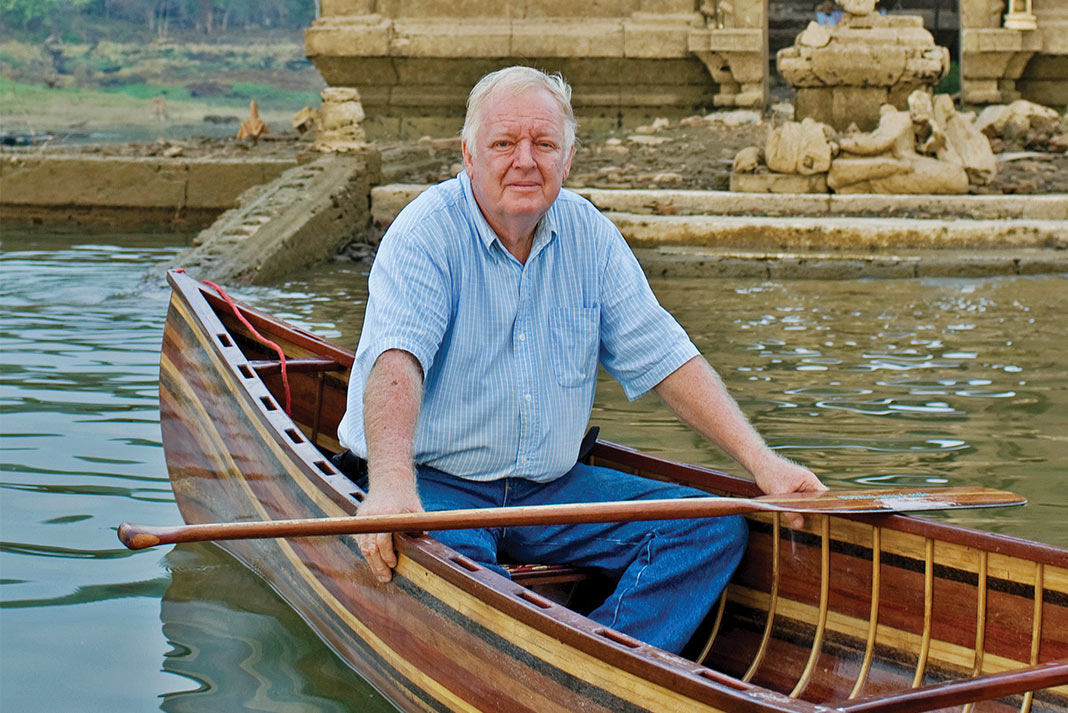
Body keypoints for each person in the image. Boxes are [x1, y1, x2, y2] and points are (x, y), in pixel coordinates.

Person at [335, 66, 825, 655]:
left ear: (567, 160)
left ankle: (600, 661)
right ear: (468, 155)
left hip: (549, 490)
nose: (525, 161)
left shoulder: (590, 235)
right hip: (437, 484)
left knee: (711, 527)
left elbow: (666, 357)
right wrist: (391, 488)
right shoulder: (426, 232)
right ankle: (556, 665)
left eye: (544, 145)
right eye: (503, 143)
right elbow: (397, 360)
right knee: (459, 573)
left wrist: (763, 463)